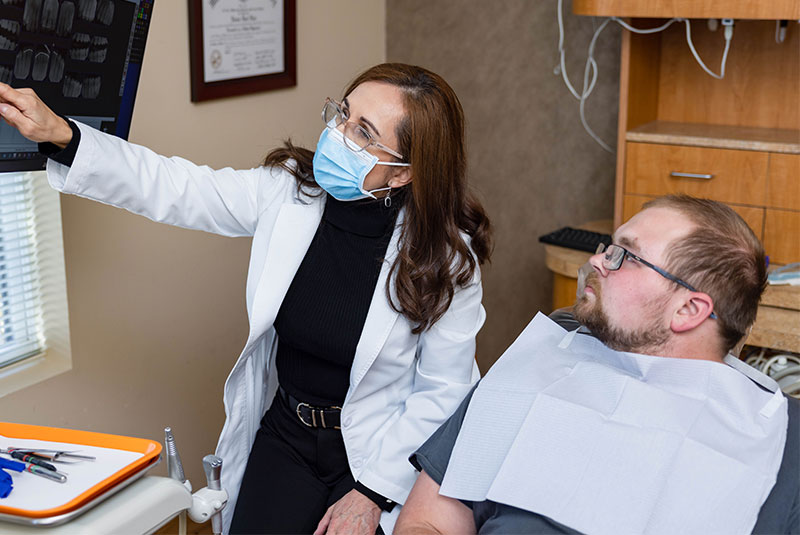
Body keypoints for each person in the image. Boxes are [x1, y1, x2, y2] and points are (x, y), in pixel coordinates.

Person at [0, 63, 492, 534]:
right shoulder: (287, 195)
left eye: (363, 133)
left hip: (377, 448)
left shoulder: (446, 261)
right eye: (342, 113)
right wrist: (65, 135)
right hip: (289, 434)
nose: (338, 133)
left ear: (402, 173)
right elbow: (177, 187)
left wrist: (372, 493)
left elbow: (442, 394)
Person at [395, 195, 799, 535]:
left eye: (626, 255)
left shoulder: (780, 441)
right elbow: (428, 520)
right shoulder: (541, 361)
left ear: (689, 309)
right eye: (609, 247)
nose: (599, 261)